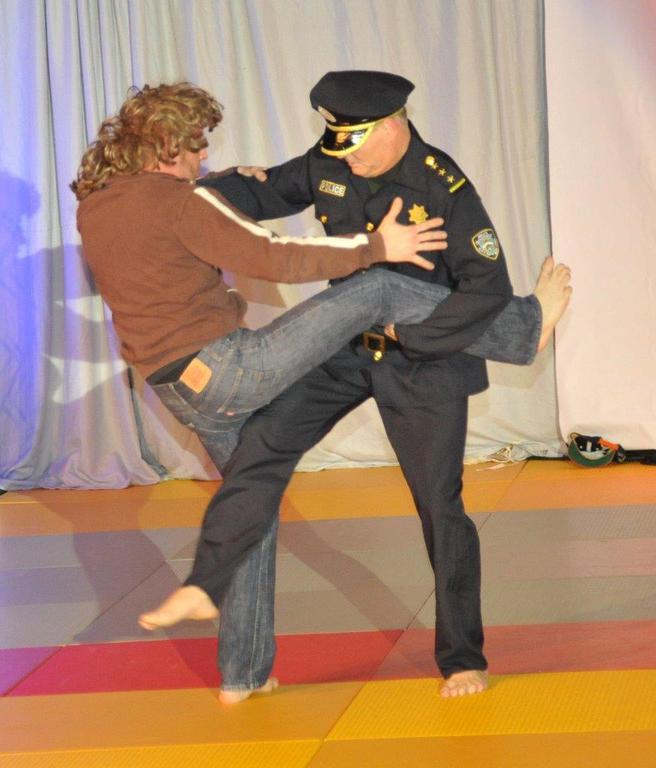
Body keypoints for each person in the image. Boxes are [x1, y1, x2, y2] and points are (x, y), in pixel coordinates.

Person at [139, 72, 572, 702]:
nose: (344, 154)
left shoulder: (442, 185)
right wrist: (195, 184)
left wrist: (406, 333)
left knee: (440, 509)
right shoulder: (330, 159)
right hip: (346, 348)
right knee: (262, 443)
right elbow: (261, 193)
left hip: (424, 360)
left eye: (356, 141)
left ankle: (462, 658)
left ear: (393, 124)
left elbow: (485, 292)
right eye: (335, 140)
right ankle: (217, 612)